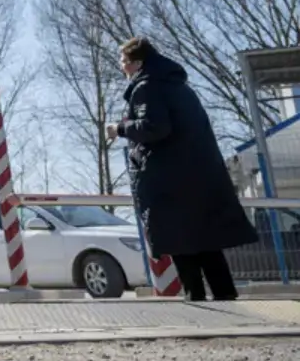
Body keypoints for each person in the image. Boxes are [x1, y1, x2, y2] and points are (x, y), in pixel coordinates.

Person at [110, 36, 258, 302]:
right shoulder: (179, 86)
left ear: (137, 63)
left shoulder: (147, 87)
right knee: (205, 240)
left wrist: (120, 128)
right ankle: (226, 297)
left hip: (170, 179)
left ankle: (197, 302)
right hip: (199, 175)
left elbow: (155, 127)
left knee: (179, 240)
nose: (121, 67)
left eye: (123, 61)